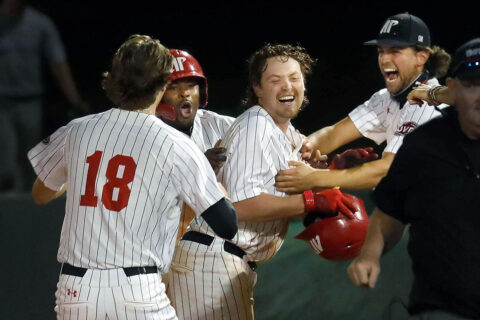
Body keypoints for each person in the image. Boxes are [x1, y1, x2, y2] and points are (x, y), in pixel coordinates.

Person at [27, 34, 238, 320]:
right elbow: (227, 224)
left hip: (74, 291)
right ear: (163, 84)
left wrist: (82, 175)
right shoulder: (176, 144)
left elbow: (40, 193)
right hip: (137, 290)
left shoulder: (77, 130)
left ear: (114, 79)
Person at [167, 43, 357, 320]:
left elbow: (304, 174)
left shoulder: (285, 133)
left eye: (294, 78)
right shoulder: (257, 124)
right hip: (211, 260)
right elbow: (241, 206)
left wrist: (336, 169)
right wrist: (310, 201)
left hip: (220, 261)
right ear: (257, 88)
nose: (287, 87)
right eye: (275, 80)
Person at [347, 38, 480, 320]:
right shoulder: (424, 145)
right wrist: (370, 254)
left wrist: (429, 96)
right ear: (453, 89)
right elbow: (389, 212)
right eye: (471, 85)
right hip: (442, 309)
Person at [275, 13, 451, 192]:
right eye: (381, 51)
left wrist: (314, 177)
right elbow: (333, 134)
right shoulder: (387, 98)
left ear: (421, 57)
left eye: (395, 51)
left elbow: (386, 170)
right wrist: (296, 153)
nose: (384, 59)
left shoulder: (429, 105)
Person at [0, 0, 88, 192]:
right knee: (5, 160)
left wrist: (75, 100)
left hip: (30, 103)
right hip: (2, 104)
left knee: (30, 161)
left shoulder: (40, 24)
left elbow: (59, 65)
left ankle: (26, 208)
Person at [156, 49, 235, 241]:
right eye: (174, 87)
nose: (185, 93)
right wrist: (200, 167)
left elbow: (265, 137)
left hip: (219, 245)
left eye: (191, 86)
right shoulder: (147, 134)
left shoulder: (220, 125)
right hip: (167, 246)